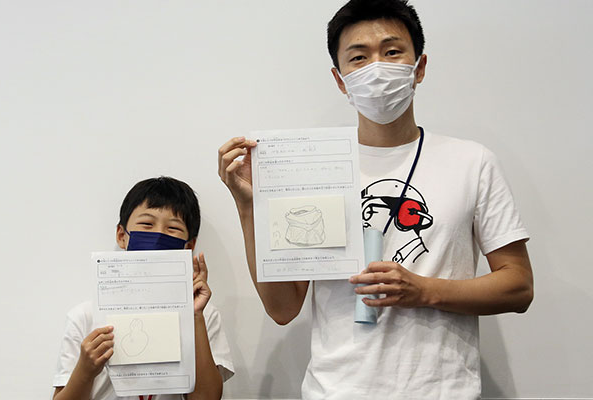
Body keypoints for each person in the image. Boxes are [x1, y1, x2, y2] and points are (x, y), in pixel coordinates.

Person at [218, 0, 533, 398]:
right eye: (359, 57)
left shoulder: (472, 161)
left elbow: (518, 285)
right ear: (340, 79)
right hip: (335, 391)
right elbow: (283, 308)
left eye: (392, 51)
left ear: (419, 67)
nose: (377, 68)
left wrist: (424, 290)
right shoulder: (312, 167)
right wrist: (249, 207)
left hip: (443, 390)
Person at [52, 177, 234, 400]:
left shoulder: (204, 315)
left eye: (173, 228)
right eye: (147, 224)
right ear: (122, 236)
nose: (158, 235)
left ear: (189, 246)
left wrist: (195, 316)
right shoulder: (84, 317)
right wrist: (86, 369)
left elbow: (207, 398)